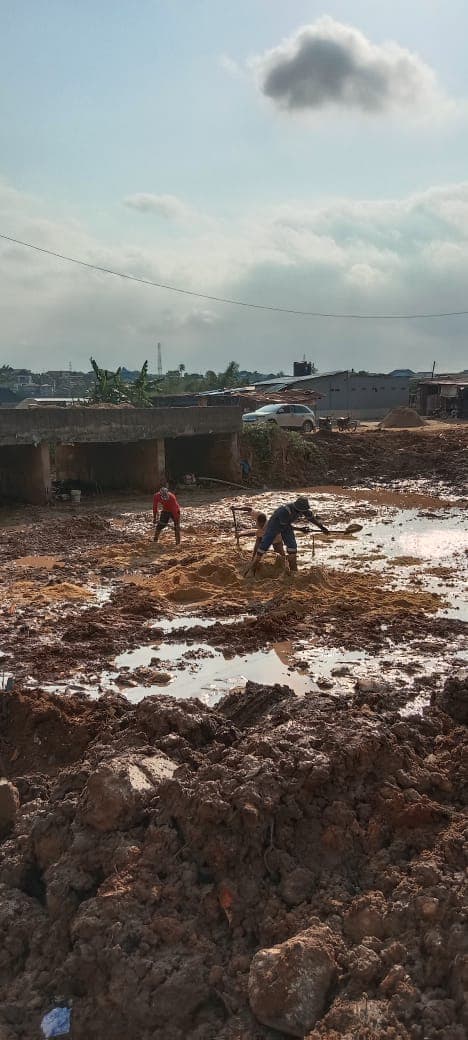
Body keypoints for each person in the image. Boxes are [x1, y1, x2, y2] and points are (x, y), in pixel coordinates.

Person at [248, 496, 329, 575]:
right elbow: (285, 525)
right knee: (264, 546)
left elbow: (312, 519)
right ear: (296, 508)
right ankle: (253, 566)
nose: (301, 514)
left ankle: (293, 569)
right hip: (274, 526)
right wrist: (301, 529)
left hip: (286, 526)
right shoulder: (285, 511)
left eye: (303, 511)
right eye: (299, 511)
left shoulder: (303, 509)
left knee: (292, 547)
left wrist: (321, 527)